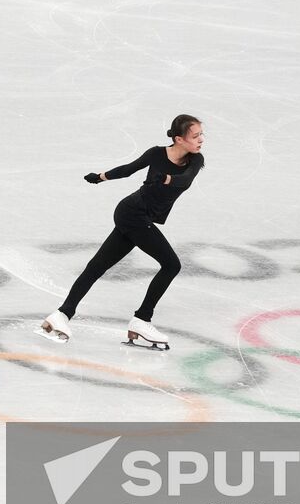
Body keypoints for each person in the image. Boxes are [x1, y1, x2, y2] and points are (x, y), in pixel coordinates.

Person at [39, 114, 205, 351]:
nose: (201, 140)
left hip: (139, 216)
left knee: (97, 266)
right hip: (132, 213)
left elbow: (185, 180)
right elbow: (128, 169)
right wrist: (100, 177)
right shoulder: (156, 153)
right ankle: (142, 320)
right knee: (171, 265)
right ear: (179, 139)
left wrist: (166, 178)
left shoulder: (195, 160)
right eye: (196, 136)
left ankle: (61, 315)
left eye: (201, 135)